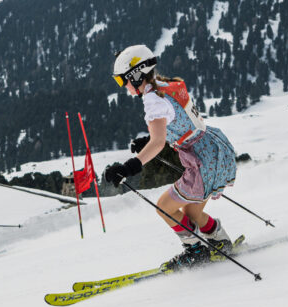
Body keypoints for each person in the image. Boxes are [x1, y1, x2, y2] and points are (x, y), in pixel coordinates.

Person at [103, 45, 241, 270]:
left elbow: (157, 143)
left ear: (136, 76)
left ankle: (196, 251)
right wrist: (152, 138)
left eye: (122, 81)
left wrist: (128, 168)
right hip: (213, 147)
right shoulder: (166, 85)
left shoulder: (153, 101)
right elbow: (177, 120)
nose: (123, 86)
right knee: (192, 213)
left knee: (164, 207)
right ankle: (220, 241)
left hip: (201, 159)